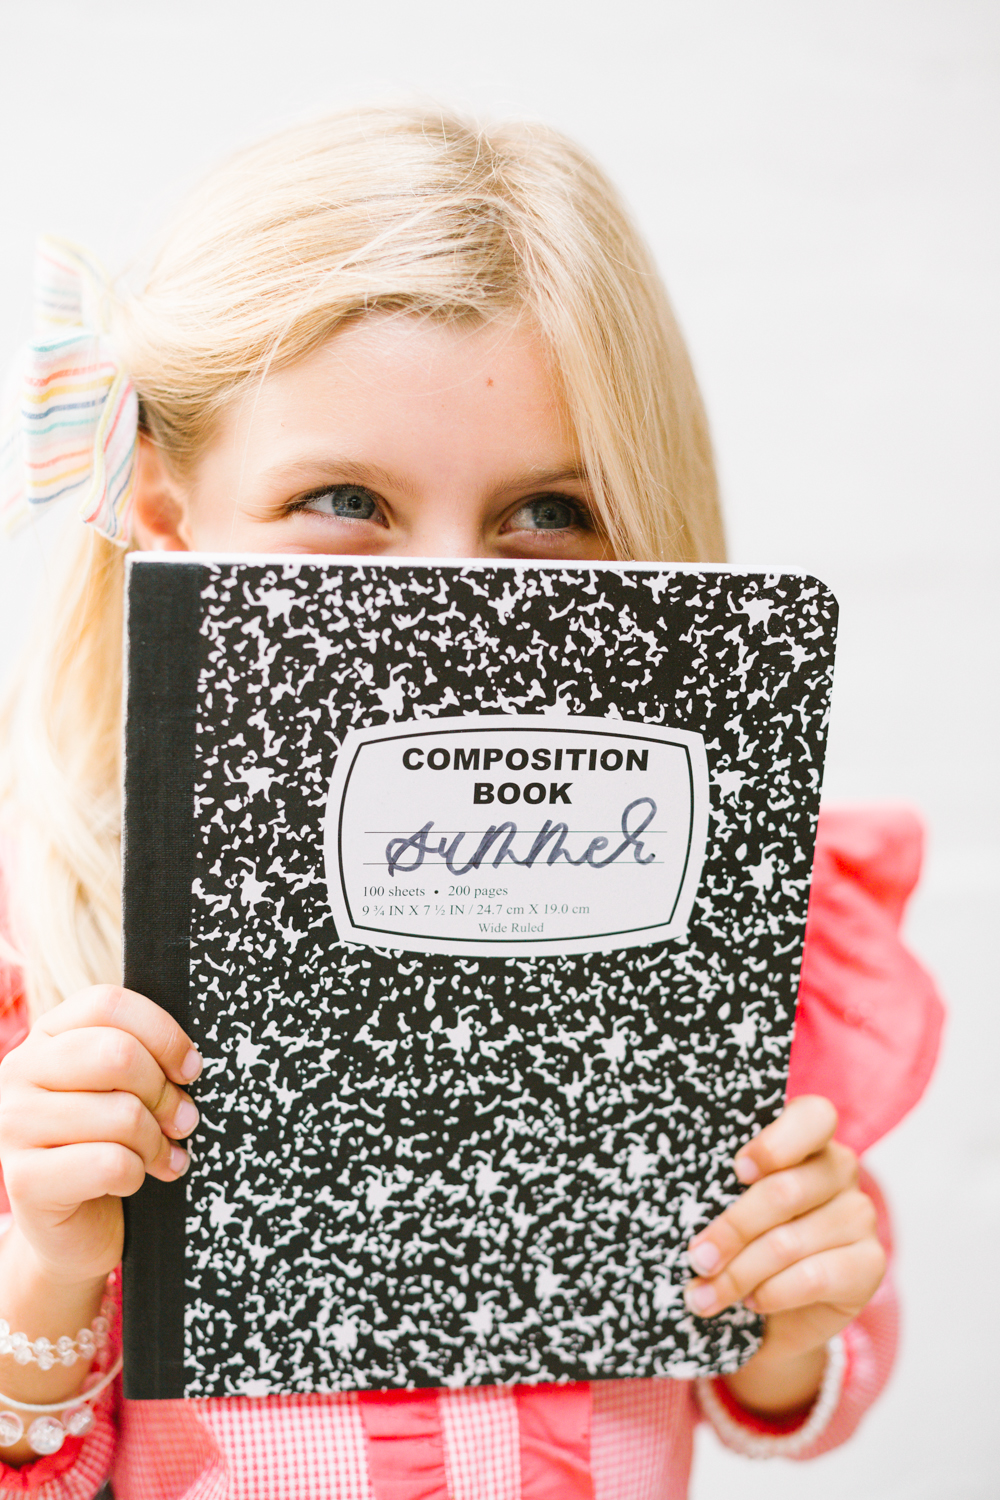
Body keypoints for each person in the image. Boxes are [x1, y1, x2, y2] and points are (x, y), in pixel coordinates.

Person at [0, 106, 944, 1498]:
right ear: (161, 509)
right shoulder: (45, 955)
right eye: (344, 498)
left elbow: (793, 1377)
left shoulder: (709, 901)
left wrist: (790, 1323)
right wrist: (46, 1268)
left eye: (548, 513)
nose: (449, 590)